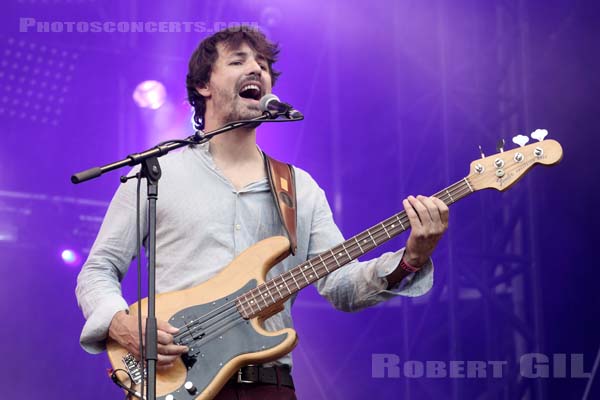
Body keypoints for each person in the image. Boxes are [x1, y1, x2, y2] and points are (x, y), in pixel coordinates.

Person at [75, 26, 449, 400]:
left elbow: (340, 287)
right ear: (204, 85)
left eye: (264, 65)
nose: (257, 69)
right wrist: (120, 324)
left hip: (268, 385)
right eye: (239, 61)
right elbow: (98, 268)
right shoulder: (156, 174)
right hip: (172, 377)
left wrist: (410, 260)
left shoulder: (299, 187)